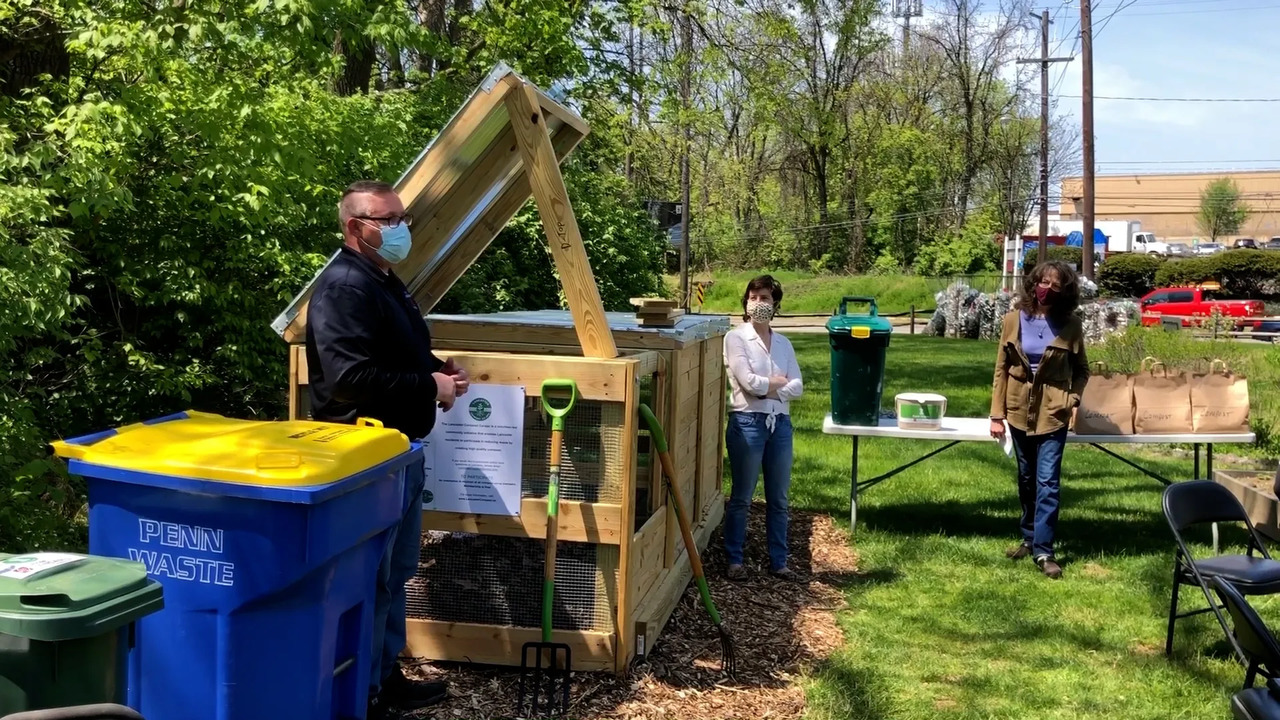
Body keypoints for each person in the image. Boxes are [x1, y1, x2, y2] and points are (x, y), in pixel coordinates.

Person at [306, 180, 469, 719]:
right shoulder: (342, 288)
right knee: (369, 576)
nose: (402, 229)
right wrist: (428, 388)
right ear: (356, 227)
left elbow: (395, 353)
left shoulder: (385, 280)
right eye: (390, 219)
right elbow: (350, 376)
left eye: (403, 218)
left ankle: (384, 674)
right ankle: (360, 692)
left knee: (396, 573)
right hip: (363, 456)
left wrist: (435, 368)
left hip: (398, 452)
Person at [989, 260, 1090, 580]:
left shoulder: (1071, 325)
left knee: (1048, 482)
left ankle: (1044, 550)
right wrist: (996, 414)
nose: (1047, 289)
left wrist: (1073, 399)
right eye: (1043, 282)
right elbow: (1001, 370)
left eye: (1056, 286)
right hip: (1018, 412)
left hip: (1053, 414)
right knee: (1027, 479)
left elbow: (1082, 371)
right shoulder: (1012, 321)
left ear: (1065, 293)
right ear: (1033, 284)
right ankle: (1029, 538)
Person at [722, 274, 803, 581]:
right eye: (753, 298)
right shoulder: (736, 338)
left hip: (780, 424)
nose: (758, 304)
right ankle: (734, 559)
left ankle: (779, 562)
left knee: (779, 498)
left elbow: (797, 386)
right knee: (742, 496)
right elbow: (749, 384)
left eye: (765, 298)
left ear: (775, 304)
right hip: (747, 424)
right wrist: (776, 385)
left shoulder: (783, 343)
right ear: (746, 302)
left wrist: (770, 387)